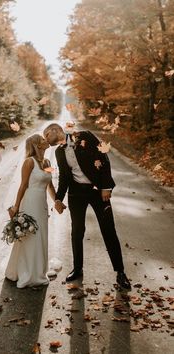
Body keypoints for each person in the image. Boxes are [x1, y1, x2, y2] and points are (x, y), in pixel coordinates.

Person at [43, 123, 131, 290]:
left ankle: (120, 272)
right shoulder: (58, 152)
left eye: (47, 134)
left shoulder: (85, 136)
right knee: (77, 231)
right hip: (76, 194)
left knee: (108, 230)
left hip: (98, 191)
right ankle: (77, 269)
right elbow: (64, 177)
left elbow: (104, 158)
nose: (45, 138)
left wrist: (106, 187)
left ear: (57, 130)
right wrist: (58, 199)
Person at [5, 134, 61, 288]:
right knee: (31, 236)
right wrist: (16, 207)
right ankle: (27, 273)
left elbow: (50, 186)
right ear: (37, 145)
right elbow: (23, 185)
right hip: (29, 202)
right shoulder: (29, 162)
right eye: (42, 139)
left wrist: (57, 201)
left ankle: (39, 271)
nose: (46, 140)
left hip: (41, 204)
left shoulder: (48, 162)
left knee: (41, 235)